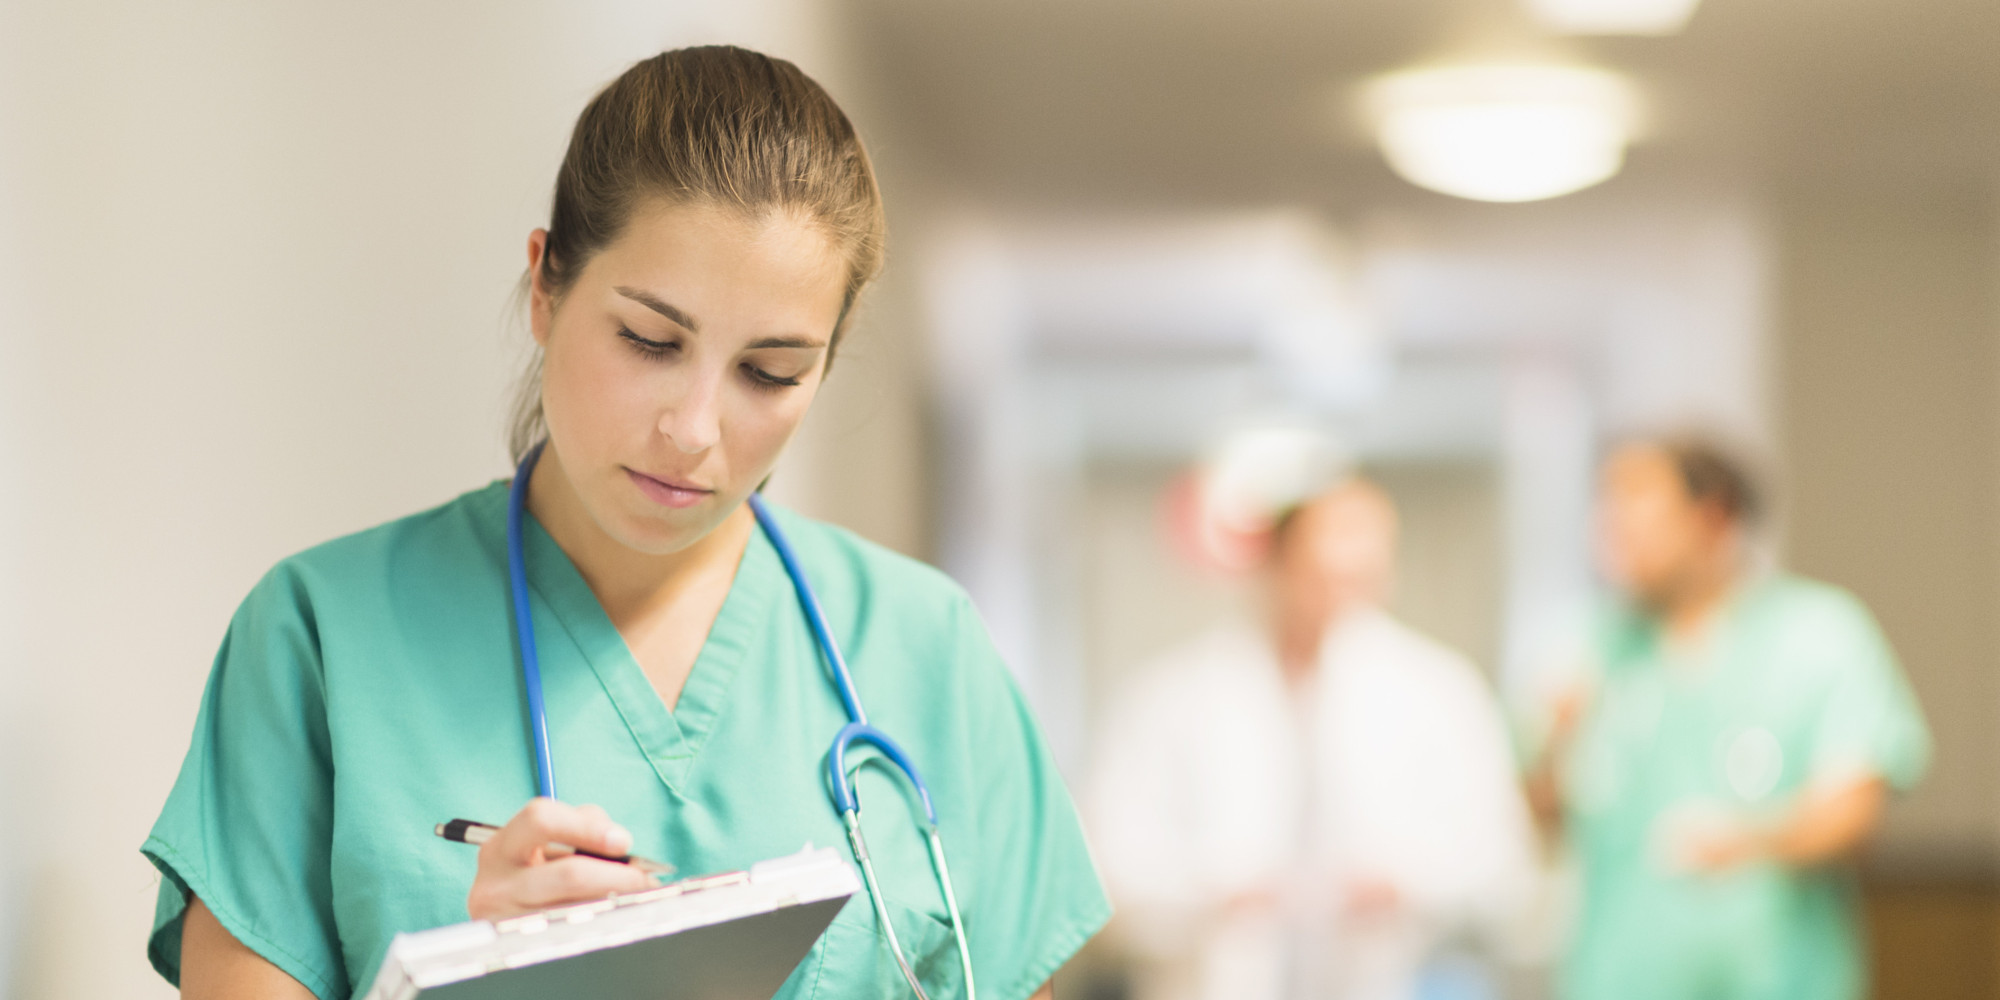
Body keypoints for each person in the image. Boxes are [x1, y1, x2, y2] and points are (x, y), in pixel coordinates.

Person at [142, 46, 1108, 1000]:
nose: (693, 431)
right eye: (649, 341)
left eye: (770, 372)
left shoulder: (922, 645)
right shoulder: (320, 639)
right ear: (544, 287)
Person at [1091, 478, 1536, 1000]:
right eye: (1320, 576)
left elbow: (1500, 858)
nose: (1339, 598)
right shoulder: (1172, 697)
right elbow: (1109, 861)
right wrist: (1215, 889)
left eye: (1360, 578)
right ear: (1275, 566)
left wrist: (1405, 884)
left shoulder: (1441, 692)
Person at [1526, 436, 1930, 1000]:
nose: (1611, 533)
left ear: (1712, 518)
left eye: (1635, 508)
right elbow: (1544, 814)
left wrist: (1744, 843)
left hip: (1773, 979)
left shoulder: (1817, 638)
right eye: (1605, 509)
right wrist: (1555, 739)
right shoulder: (1596, 650)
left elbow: (1854, 812)